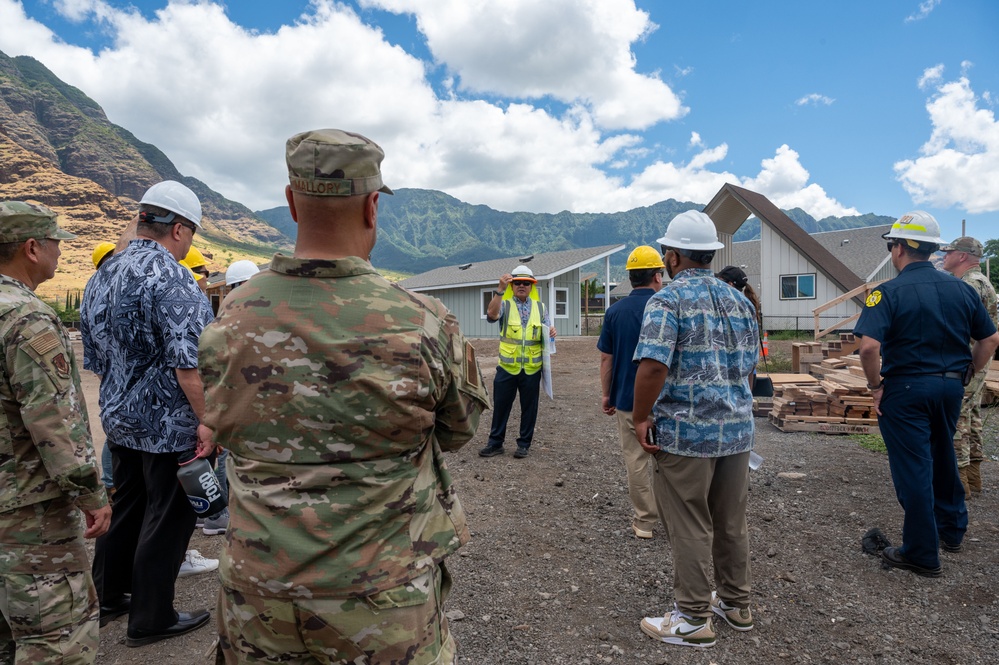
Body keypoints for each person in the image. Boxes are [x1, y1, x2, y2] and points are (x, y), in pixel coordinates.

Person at [199, 128, 489, 664]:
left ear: (291, 202)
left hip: (257, 591)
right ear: (373, 206)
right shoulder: (424, 322)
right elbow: (457, 431)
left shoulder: (230, 320)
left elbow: (219, 422)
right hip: (382, 594)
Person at [80, 180, 215, 647]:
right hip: (168, 426)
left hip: (119, 419)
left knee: (128, 507)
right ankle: (152, 615)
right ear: (178, 229)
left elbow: (94, 359)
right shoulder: (172, 277)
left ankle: (111, 596)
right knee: (169, 515)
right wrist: (208, 420)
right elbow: (189, 364)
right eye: (192, 234)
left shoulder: (101, 276)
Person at [633, 210, 759, 649]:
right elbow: (748, 366)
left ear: (671, 256)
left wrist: (640, 416)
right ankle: (737, 604)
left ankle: (692, 618)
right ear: (709, 254)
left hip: (687, 435)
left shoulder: (667, 301)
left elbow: (652, 366)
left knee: (689, 522)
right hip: (737, 433)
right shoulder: (739, 299)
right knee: (730, 520)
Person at [856, 212, 999, 577]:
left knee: (913, 467)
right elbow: (990, 339)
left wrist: (875, 388)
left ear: (899, 248)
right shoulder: (962, 289)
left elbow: (869, 348)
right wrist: (969, 371)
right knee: (942, 454)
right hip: (950, 387)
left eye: (892, 245)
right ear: (933, 249)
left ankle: (920, 552)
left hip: (905, 389)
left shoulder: (886, 292)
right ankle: (951, 531)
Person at [0, 201, 111, 663]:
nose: (60, 252)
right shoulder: (27, 319)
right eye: (55, 243)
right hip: (30, 513)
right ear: (31, 247)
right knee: (57, 638)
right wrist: (91, 495)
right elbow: (55, 424)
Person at [597, 245, 664, 539]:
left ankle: (645, 523)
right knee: (672, 461)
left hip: (627, 399)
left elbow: (606, 358)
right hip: (667, 400)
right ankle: (679, 519)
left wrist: (606, 394)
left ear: (631, 277)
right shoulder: (668, 306)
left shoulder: (615, 311)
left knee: (636, 460)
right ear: (658, 276)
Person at [941, 235, 998, 498]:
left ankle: (959, 482)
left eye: (949, 251)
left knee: (957, 418)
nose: (944, 255)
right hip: (979, 359)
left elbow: (959, 327)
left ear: (962, 256)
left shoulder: (969, 285)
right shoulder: (982, 282)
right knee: (972, 416)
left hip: (967, 360)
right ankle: (973, 478)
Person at [479, 264, 556, 459]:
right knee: (501, 407)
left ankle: (524, 444)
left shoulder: (541, 308)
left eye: (526, 283)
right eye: (518, 283)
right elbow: (491, 316)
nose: (522, 285)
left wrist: (552, 333)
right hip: (507, 368)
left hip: (531, 369)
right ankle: (495, 443)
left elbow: (546, 336)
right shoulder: (504, 304)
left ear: (531, 286)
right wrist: (499, 291)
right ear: (512, 285)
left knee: (529, 409)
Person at [86, 241, 117, 497]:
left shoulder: (91, 291)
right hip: (117, 369)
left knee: (113, 425)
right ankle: (109, 480)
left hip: (107, 370)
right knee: (115, 432)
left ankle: (110, 482)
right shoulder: (107, 289)